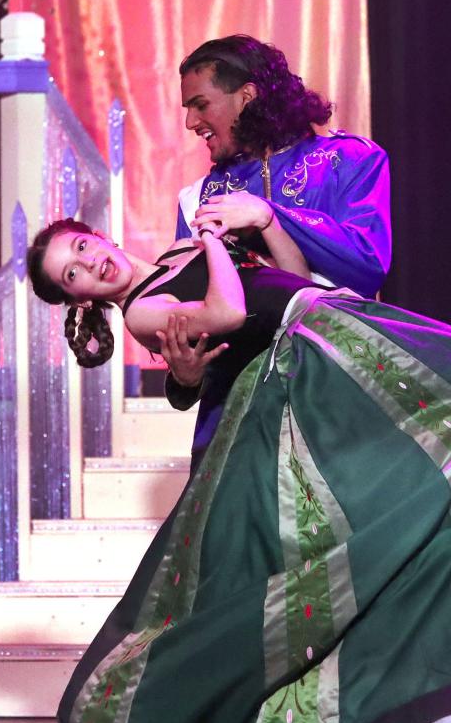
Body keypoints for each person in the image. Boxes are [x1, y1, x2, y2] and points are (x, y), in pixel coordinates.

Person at [28, 218, 451, 723]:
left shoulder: (173, 258)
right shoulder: (145, 307)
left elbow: (298, 279)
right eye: (72, 274)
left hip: (332, 322)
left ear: (98, 235)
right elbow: (225, 311)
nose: (89, 264)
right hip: (309, 363)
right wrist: (211, 243)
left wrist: (263, 223)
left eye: (81, 248)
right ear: (80, 298)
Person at [164, 35, 391, 472]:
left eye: (200, 105)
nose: (191, 122)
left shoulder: (350, 160)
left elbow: (367, 265)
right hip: (236, 420)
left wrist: (272, 216)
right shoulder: (198, 199)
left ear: (246, 97)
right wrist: (184, 377)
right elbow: (190, 315)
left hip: (336, 394)